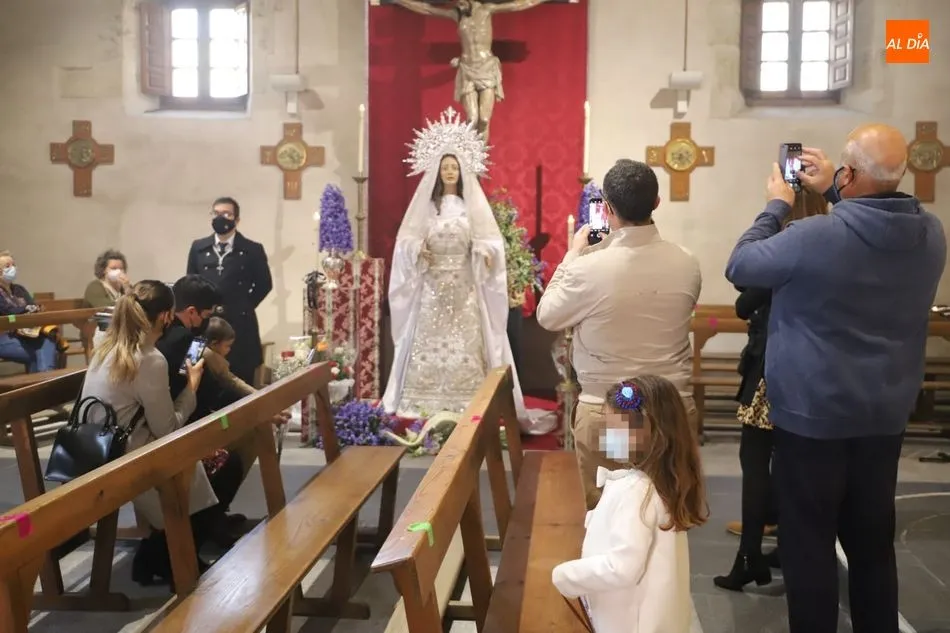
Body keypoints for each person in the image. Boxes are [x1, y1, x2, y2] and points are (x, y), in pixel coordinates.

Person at [724, 124, 946, 633]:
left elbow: (741, 266)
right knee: (872, 544)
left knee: (809, 544)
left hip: (813, 417)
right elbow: (868, 231)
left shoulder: (812, 235)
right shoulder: (931, 234)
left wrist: (777, 204)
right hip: (884, 416)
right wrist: (833, 190)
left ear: (850, 172)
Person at [536, 159, 702, 509]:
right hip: (670, 409)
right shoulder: (687, 262)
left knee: (606, 517)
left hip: (609, 409)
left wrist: (573, 255)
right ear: (657, 203)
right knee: (667, 514)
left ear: (606, 208)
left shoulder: (588, 267)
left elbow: (549, 315)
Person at [81, 280, 243, 588]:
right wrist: (193, 385)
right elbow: (168, 429)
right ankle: (171, 560)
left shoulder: (106, 346)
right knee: (220, 464)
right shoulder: (149, 358)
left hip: (97, 449)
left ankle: (157, 557)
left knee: (206, 462)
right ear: (167, 316)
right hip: (130, 457)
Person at [383, 109, 531, 427]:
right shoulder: (426, 208)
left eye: (454, 167)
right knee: (427, 342)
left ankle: (468, 399)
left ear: (462, 172)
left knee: (467, 344)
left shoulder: (471, 208)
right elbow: (405, 242)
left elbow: (488, 240)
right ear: (437, 172)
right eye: (445, 167)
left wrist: (484, 252)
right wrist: (416, 249)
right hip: (432, 287)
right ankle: (422, 399)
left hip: (464, 286)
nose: (450, 172)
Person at [715, 188, 827, 592]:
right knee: (795, 466)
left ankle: (748, 557)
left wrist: (767, 231)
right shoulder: (831, 247)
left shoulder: (789, 250)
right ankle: (787, 546)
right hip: (812, 377)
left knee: (755, 463)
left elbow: (745, 301)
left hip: (769, 375)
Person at [551, 375, 707, 633]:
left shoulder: (637, 492)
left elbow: (622, 568)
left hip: (630, 621)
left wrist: (566, 575)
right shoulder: (665, 481)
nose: (607, 436)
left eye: (614, 429)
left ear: (647, 434)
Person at [390, 0, 554, 143]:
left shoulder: (487, 10)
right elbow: (427, 9)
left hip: (487, 67)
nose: (457, 3)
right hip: (467, 69)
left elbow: (519, 4)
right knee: (471, 119)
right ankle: (471, 161)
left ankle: (480, 158)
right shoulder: (457, 14)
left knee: (483, 119)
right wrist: (400, 1)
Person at [186, 196, 272, 385]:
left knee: (240, 377)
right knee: (198, 373)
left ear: (237, 219)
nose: (221, 218)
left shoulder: (252, 249)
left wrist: (244, 305)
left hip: (240, 322)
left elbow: (265, 284)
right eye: (216, 213)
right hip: (204, 322)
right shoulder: (198, 247)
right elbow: (190, 282)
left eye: (227, 214)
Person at [0, 250, 60, 372]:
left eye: (14, 265)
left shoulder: (19, 289)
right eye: (7, 266)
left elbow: (32, 305)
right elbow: (6, 311)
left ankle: (43, 384)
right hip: (4, 336)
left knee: (48, 340)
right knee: (41, 353)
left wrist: (34, 308)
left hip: (26, 334)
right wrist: (25, 309)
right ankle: (47, 384)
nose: (13, 268)